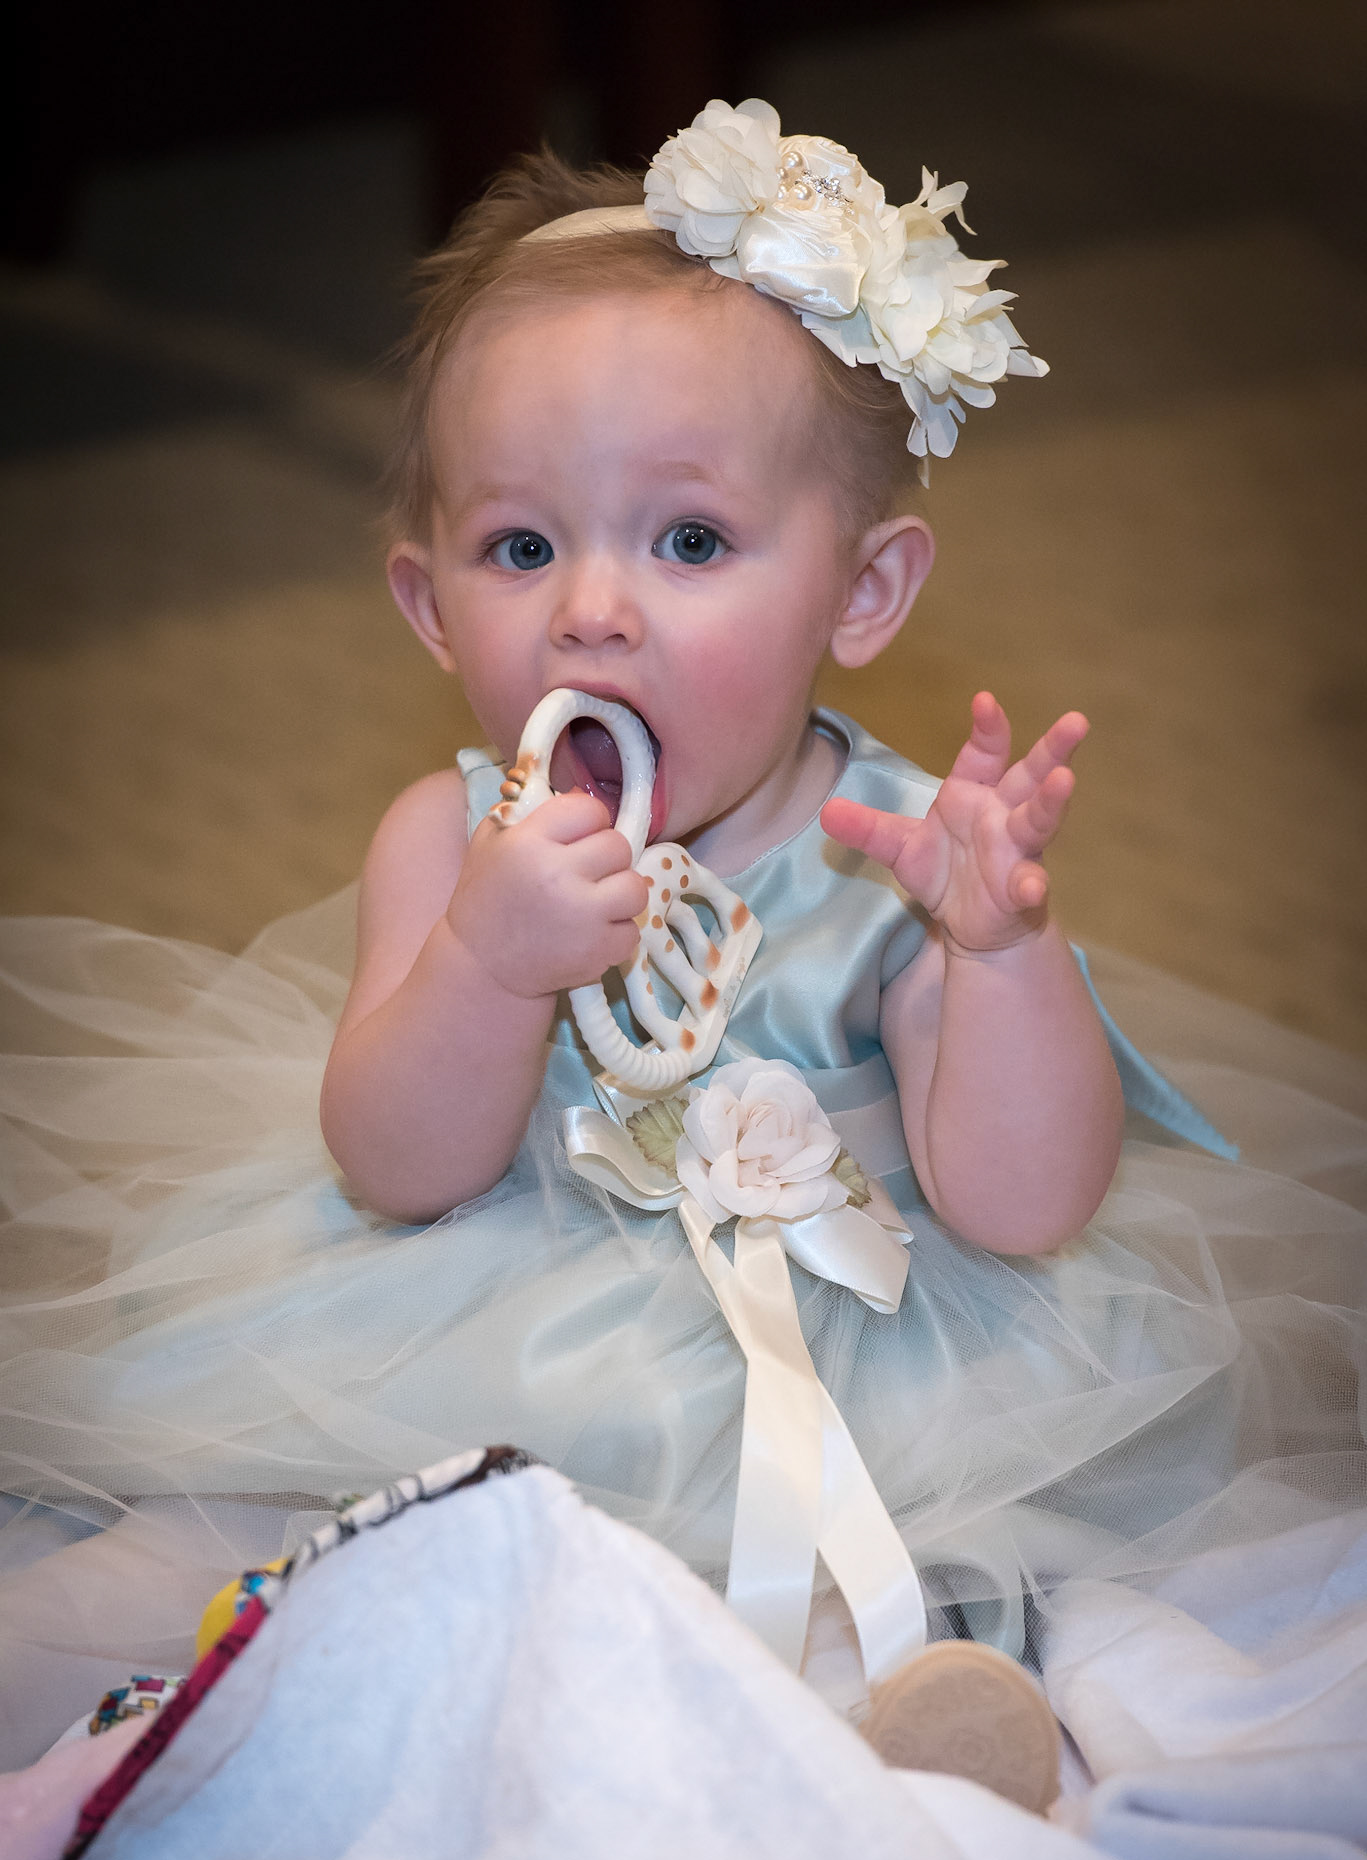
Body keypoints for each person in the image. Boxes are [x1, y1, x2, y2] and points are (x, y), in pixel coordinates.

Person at [1, 102, 1363, 1775]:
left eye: (691, 540)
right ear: (430, 609)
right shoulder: (446, 839)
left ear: (861, 593)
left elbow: (1026, 1207)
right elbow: (397, 1168)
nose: (591, 609)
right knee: (246, 1544)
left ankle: (852, 1740)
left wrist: (998, 958)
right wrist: (486, 964)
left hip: (856, 1370)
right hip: (477, 1336)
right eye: (521, 548)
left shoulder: (895, 863)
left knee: (886, 1592)